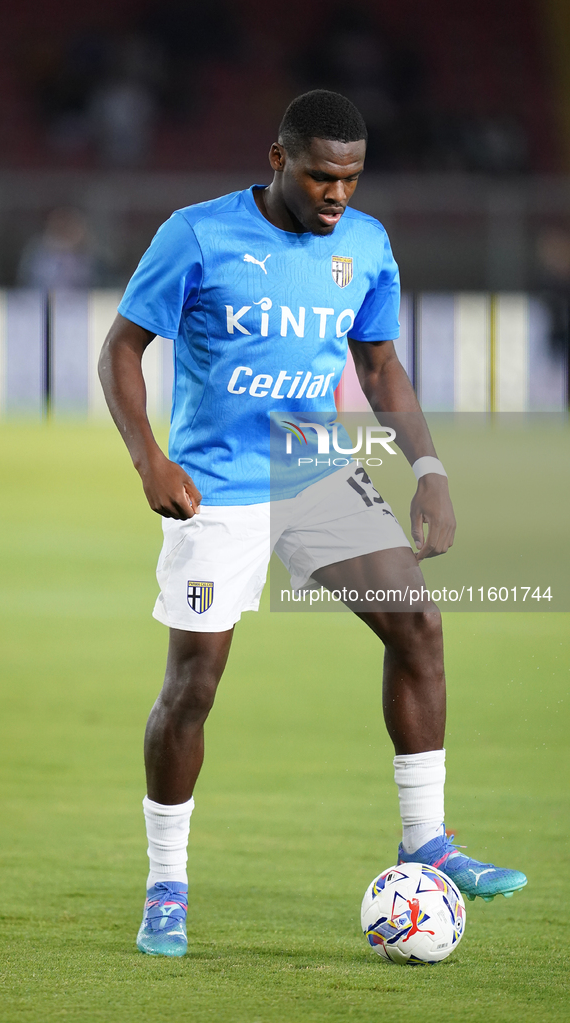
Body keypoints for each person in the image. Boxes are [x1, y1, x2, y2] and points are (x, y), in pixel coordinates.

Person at [98, 90, 527, 958]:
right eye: (320, 176)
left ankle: (426, 840)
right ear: (277, 160)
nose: (337, 194)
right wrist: (149, 457)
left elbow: (378, 362)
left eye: (351, 178)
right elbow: (120, 348)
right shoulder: (197, 234)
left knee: (418, 624)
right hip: (216, 484)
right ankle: (167, 885)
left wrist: (430, 469)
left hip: (312, 467)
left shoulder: (366, 246)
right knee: (193, 688)